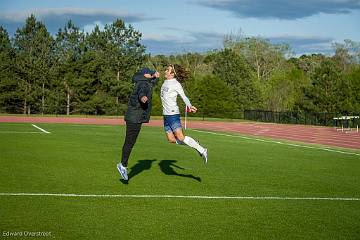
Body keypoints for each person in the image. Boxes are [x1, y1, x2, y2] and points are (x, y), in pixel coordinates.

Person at [117, 67, 160, 181]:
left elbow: (152, 83)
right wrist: (143, 98)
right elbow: (142, 92)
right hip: (135, 118)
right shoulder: (143, 84)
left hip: (135, 117)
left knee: (130, 142)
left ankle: (123, 164)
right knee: (129, 142)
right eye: (150, 74)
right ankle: (123, 165)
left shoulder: (142, 81)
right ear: (146, 75)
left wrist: (155, 77)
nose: (152, 75)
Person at [160, 64, 208, 163]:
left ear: (172, 74)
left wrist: (190, 106)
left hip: (173, 114)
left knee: (181, 137)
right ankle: (195, 143)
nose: (165, 71)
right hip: (165, 115)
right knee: (171, 139)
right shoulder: (165, 82)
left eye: (167, 70)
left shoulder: (176, 84)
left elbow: (184, 97)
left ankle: (202, 150)